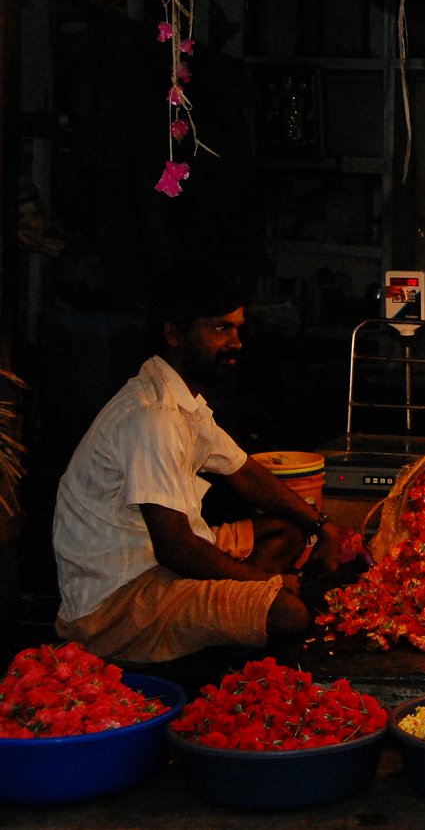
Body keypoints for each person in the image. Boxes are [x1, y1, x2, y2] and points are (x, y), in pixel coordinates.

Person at [51, 266, 357, 664]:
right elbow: (175, 547)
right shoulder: (152, 416)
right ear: (174, 334)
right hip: (120, 602)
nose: (235, 343)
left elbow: (244, 471)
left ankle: (229, 622)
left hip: (160, 562)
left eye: (237, 329)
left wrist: (323, 527)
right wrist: (268, 585)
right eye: (218, 330)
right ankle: (212, 653)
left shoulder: (185, 403)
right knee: (289, 615)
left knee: (285, 530)